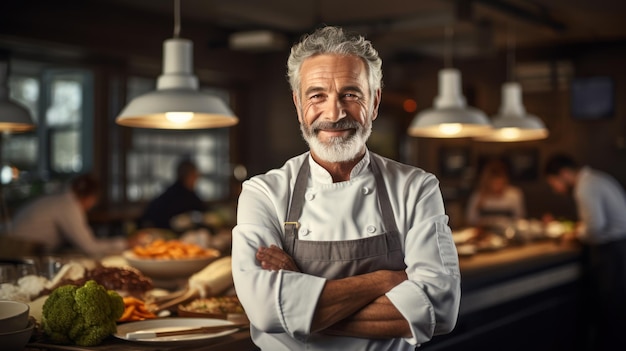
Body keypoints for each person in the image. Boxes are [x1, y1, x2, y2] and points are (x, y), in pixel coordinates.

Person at [231, 26, 461, 350]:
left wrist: (300, 305)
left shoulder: (416, 188)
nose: (334, 113)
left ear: (375, 101)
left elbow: (440, 309)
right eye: (317, 96)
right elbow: (265, 310)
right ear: (298, 105)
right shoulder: (263, 193)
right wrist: (387, 279)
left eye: (351, 94)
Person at [544, 153, 626, 351]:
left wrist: (572, 235)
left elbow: (594, 227)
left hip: (611, 253)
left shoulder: (585, 187)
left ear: (564, 174)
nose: (556, 189)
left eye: (554, 182)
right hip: (618, 248)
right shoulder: (597, 179)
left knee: (609, 311)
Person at [7, 173, 127, 257]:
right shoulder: (68, 206)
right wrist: (125, 243)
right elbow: (90, 247)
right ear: (91, 198)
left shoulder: (61, 198)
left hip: (17, 249)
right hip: (19, 254)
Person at [137, 158, 206, 231]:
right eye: (195, 176)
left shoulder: (189, 194)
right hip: (165, 232)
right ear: (188, 176)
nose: (196, 179)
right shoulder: (175, 194)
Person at [465, 159, 526, 230]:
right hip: (484, 234)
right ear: (487, 182)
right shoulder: (478, 196)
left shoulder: (514, 195)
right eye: (495, 183)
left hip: (508, 233)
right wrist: (479, 206)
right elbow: (470, 220)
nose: (498, 187)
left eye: (500, 183)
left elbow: (520, 219)